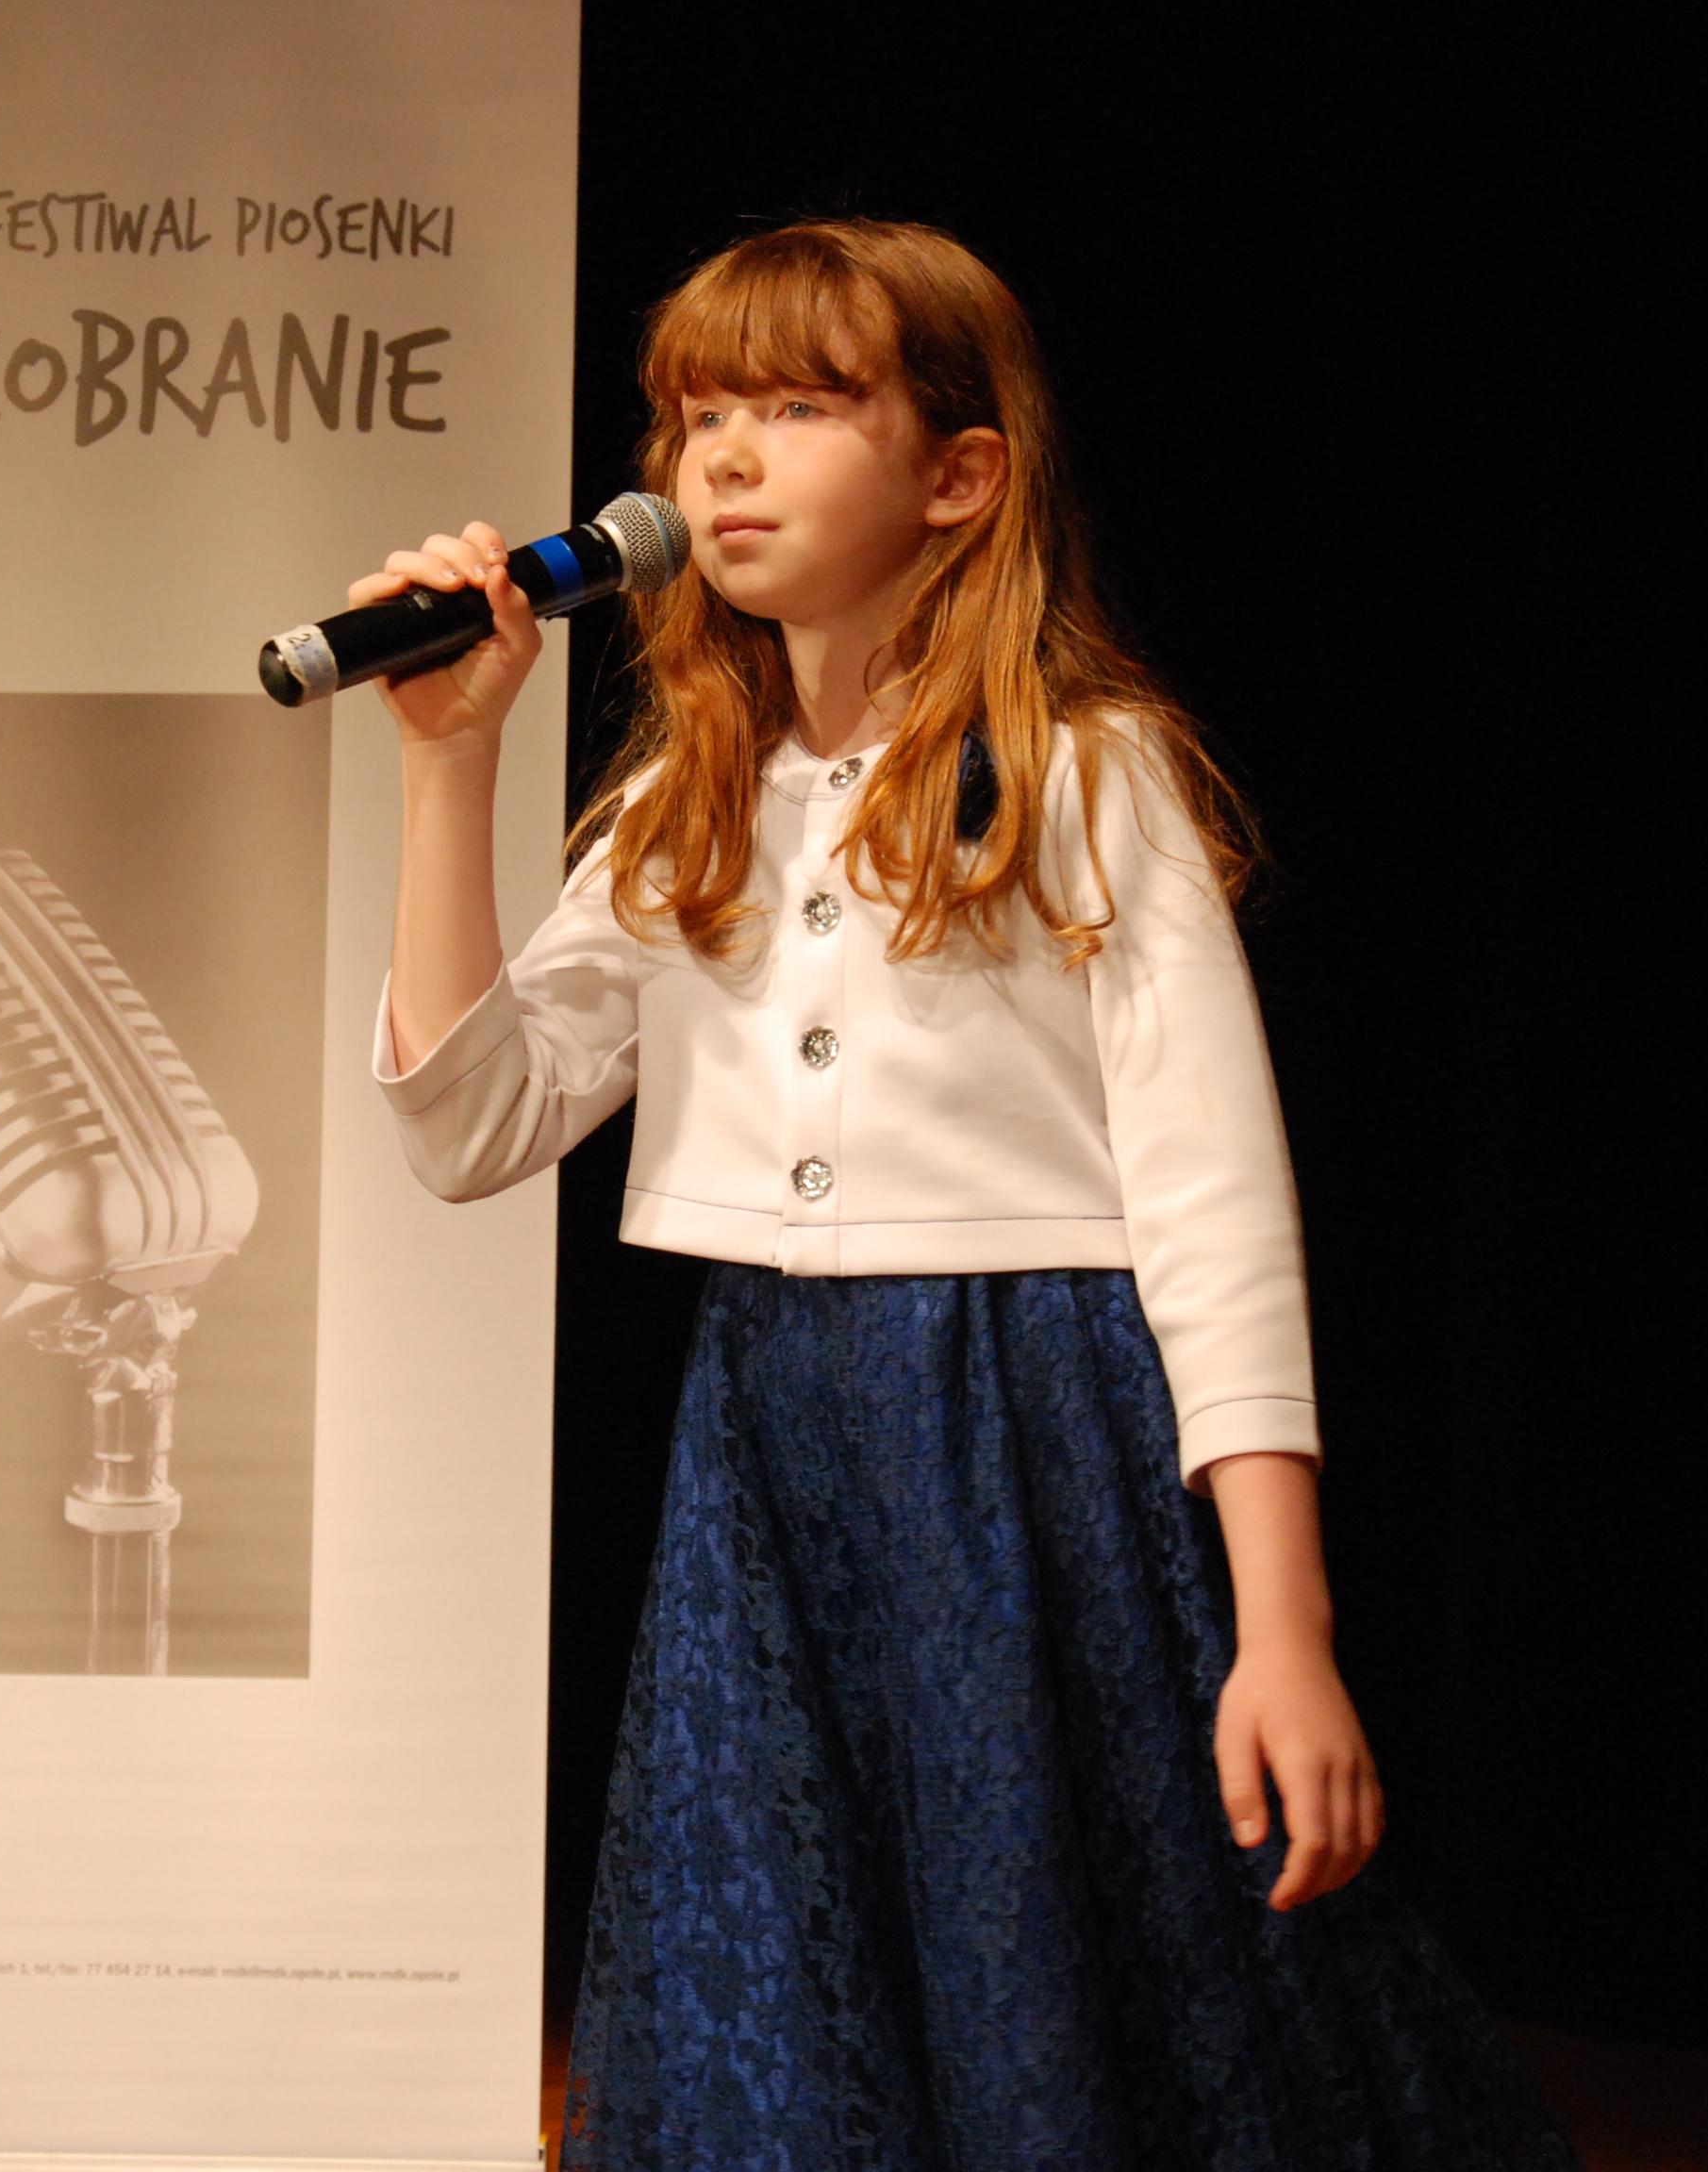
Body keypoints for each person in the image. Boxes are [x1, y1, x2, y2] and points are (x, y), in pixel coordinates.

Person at [357, 220, 1572, 2169]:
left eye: (796, 406)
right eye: (695, 416)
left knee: (1064, 1984)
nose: (723, 459)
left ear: (960, 473)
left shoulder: (1087, 779)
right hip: (768, 1451)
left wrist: (1285, 1625)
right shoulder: (687, 807)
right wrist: (450, 764)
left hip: (1025, 1433)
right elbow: (467, 1128)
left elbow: (1216, 1213)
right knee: (782, 1987)